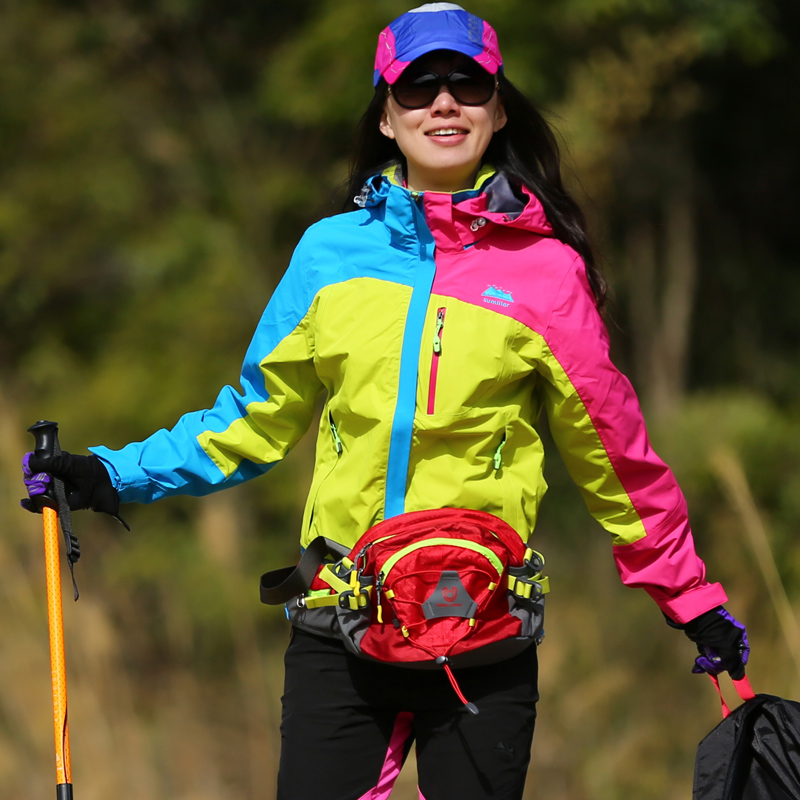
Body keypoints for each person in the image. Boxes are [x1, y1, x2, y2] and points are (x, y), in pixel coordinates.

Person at [22, 5, 749, 799]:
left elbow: (614, 456)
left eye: (467, 83)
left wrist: (690, 597)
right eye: (418, 86)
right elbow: (253, 420)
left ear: (498, 110)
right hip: (340, 621)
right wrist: (111, 474)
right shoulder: (327, 255)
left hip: (482, 630)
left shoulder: (547, 273)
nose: (445, 102)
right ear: (386, 116)